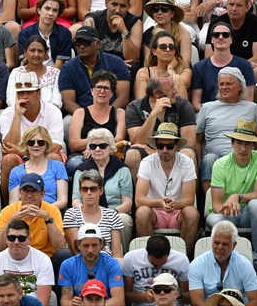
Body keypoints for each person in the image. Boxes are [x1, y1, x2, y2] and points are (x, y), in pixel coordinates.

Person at [206, 118, 257, 267]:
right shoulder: (220, 164)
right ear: (232, 143)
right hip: (225, 213)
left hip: (247, 212)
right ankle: (242, 255)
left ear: (253, 145)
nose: (243, 148)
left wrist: (237, 197)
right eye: (239, 143)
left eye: (247, 143)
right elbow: (216, 205)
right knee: (216, 220)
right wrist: (228, 206)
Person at [0, 74, 65, 204]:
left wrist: (22, 151)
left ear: (39, 93)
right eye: (21, 93)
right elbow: (8, 147)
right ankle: (8, 207)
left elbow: (56, 146)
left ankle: (53, 205)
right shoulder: (8, 113)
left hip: (44, 155)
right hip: (21, 157)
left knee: (54, 157)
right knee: (8, 160)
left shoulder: (53, 110)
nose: (24, 97)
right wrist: (17, 115)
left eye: (29, 92)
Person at [135, 122, 199, 255]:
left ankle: (183, 258)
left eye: (169, 146)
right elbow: (139, 200)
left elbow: (189, 200)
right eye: (160, 146)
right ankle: (149, 257)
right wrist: (159, 202)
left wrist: (176, 204)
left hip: (178, 212)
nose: (164, 150)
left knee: (192, 213)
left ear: (176, 146)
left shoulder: (186, 162)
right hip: (154, 212)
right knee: (141, 212)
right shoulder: (147, 162)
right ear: (156, 146)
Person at [196, 68, 257, 192]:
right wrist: (199, 162)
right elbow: (198, 139)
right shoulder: (207, 107)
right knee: (208, 160)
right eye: (221, 84)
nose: (224, 87)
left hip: (244, 154)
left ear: (240, 87)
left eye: (229, 84)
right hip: (215, 157)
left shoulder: (252, 108)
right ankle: (210, 204)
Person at [0, 173, 69, 276]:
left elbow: (60, 247)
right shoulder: (8, 211)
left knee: (64, 254)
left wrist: (47, 219)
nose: (29, 195)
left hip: (44, 259)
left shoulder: (52, 211)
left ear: (42, 194)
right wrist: (11, 221)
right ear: (19, 193)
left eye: (34, 191)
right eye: (25, 190)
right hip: (14, 258)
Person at [124, 74, 197, 184]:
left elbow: (189, 142)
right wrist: (153, 114)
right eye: (170, 88)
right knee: (132, 155)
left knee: (188, 153)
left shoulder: (183, 105)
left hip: (174, 151)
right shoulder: (134, 107)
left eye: (174, 86)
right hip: (148, 155)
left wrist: (157, 152)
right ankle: (141, 199)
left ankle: (188, 199)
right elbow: (137, 141)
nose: (175, 91)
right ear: (157, 94)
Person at [71, 129, 133, 248]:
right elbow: (76, 200)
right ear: (89, 149)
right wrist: (88, 214)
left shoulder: (122, 169)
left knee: (124, 219)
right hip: (88, 212)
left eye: (102, 146)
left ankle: (120, 257)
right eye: (93, 146)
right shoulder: (81, 170)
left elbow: (128, 203)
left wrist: (107, 215)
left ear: (111, 148)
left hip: (115, 212)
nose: (98, 149)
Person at [59, 26, 130, 115]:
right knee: (67, 124)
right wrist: (87, 117)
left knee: (123, 120)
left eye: (86, 42)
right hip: (82, 113)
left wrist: (108, 115)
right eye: (77, 43)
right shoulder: (67, 68)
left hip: (112, 112)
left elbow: (123, 98)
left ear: (98, 44)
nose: (81, 46)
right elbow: (69, 103)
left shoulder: (116, 62)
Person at [67, 70, 127, 176]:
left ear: (112, 93)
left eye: (106, 88)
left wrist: (94, 147)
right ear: (91, 90)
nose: (102, 91)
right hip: (83, 156)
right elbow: (74, 143)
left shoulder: (119, 113)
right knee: (74, 164)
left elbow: (119, 139)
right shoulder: (80, 113)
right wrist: (96, 146)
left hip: (111, 156)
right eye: (98, 87)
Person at [189, 220, 257, 305]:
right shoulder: (197, 264)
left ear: (234, 245)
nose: (219, 247)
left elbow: (256, 301)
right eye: (216, 243)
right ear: (211, 243)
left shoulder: (244, 264)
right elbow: (197, 302)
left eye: (225, 244)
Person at [191, 22, 255, 111]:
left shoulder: (245, 65)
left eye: (225, 35)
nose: (220, 37)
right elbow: (196, 102)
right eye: (216, 35)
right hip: (209, 114)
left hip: (236, 113)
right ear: (212, 39)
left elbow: (248, 100)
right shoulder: (199, 67)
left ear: (231, 39)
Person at [0, 220, 53, 305]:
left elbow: (43, 303)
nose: (16, 242)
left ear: (29, 239)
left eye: (21, 238)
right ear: (6, 239)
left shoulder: (43, 260)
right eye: (12, 238)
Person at [205, 0, 257, 79]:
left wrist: (235, 70)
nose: (234, 9)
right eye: (231, 4)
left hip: (247, 69)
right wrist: (228, 71)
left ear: (247, 8)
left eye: (239, 5)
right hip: (220, 69)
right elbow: (208, 57)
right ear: (227, 6)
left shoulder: (256, 22)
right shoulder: (216, 23)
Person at [58, 223, 125, 306]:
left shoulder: (111, 264)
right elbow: (65, 300)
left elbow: (119, 300)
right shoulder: (68, 265)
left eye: (94, 245)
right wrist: (72, 303)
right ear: (78, 245)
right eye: (86, 245)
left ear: (101, 244)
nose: (90, 250)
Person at [64, 170, 124, 258]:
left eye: (93, 189)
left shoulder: (112, 215)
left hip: (107, 264)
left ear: (101, 190)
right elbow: (76, 250)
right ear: (80, 191)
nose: (89, 193)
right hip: (81, 263)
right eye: (85, 189)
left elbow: (117, 253)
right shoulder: (71, 214)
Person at [82, 0, 143, 69]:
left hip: (124, 64)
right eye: (114, 4)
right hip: (99, 62)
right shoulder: (92, 19)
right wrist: (114, 63)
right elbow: (86, 52)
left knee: (132, 67)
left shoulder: (135, 23)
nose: (117, 10)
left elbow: (133, 58)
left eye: (122, 6)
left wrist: (124, 31)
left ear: (128, 7)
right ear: (106, 3)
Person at [7, 126, 68, 210]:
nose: (36, 145)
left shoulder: (58, 166)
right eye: (31, 142)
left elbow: (63, 200)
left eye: (41, 142)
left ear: (47, 144)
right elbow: (13, 203)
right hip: (25, 214)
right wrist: (29, 212)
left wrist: (41, 211)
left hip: (51, 213)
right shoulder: (16, 171)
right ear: (25, 145)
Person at [122, 236, 190, 305]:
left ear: (169, 252)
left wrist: (177, 295)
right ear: (147, 252)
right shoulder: (131, 259)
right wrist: (142, 297)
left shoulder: (181, 260)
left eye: (163, 263)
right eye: (154, 264)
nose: (158, 267)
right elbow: (125, 294)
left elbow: (189, 297)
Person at [17, 0, 72, 69]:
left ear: (58, 14)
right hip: (31, 74)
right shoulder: (25, 33)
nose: (50, 13)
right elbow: (26, 62)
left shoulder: (64, 33)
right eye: (47, 8)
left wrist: (47, 78)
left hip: (55, 75)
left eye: (55, 10)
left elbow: (59, 65)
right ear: (39, 10)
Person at [134, 31, 192, 100]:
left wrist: (170, 68)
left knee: (177, 79)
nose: (168, 49)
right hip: (152, 109)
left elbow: (180, 97)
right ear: (154, 51)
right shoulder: (144, 72)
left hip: (176, 109)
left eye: (171, 47)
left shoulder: (185, 72)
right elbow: (140, 101)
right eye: (163, 47)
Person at [7, 37, 61, 108]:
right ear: (25, 52)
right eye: (32, 50)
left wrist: (44, 113)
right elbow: (11, 99)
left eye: (40, 51)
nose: (36, 54)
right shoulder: (16, 73)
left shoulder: (55, 73)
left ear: (46, 54)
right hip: (21, 113)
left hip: (48, 115)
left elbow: (57, 100)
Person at [142, 0, 192, 68]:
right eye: (155, 9)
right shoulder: (148, 34)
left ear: (172, 13)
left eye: (164, 9)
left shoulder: (183, 33)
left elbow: (185, 64)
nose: (159, 12)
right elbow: (149, 62)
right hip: (157, 72)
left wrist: (171, 70)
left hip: (179, 72)